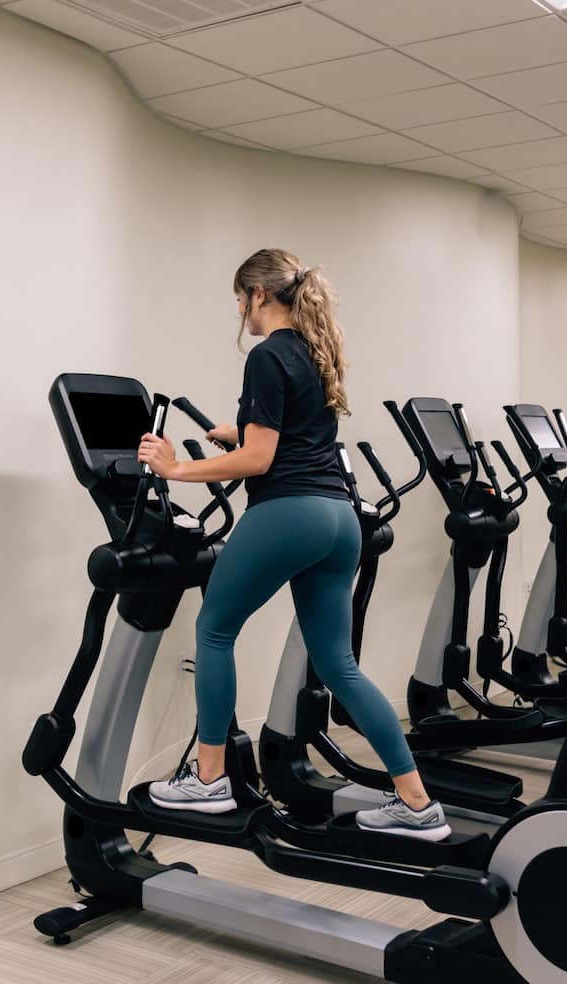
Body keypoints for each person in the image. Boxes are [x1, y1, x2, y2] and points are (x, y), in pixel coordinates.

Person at [137, 249, 446, 841]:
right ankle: (417, 805)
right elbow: (289, 434)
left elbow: (261, 459)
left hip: (289, 512)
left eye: (240, 299)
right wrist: (237, 429)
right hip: (339, 519)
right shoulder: (314, 352)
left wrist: (174, 470)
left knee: (215, 630)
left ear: (259, 295)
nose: (240, 312)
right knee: (339, 664)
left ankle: (208, 781)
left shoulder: (265, 354)